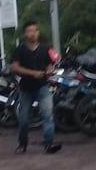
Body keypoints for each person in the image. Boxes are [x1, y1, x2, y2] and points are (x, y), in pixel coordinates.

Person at [10, 21, 62, 155]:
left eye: (34, 30)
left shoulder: (45, 48)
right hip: (26, 88)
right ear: (25, 34)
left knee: (47, 115)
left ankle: (49, 144)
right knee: (23, 119)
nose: (32, 33)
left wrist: (50, 70)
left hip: (43, 87)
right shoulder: (20, 49)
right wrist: (33, 73)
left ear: (38, 32)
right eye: (29, 31)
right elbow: (14, 67)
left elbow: (50, 65)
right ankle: (22, 144)